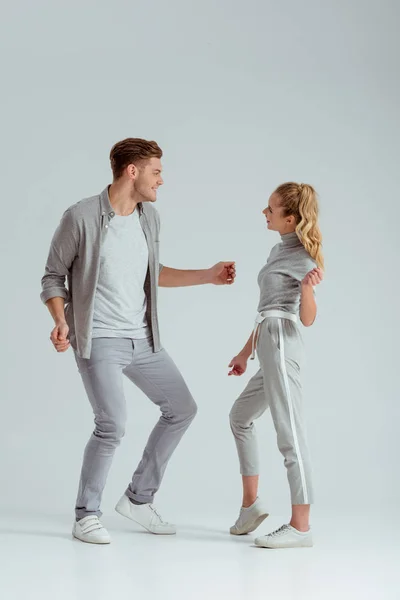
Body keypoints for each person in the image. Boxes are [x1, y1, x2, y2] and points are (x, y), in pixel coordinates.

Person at [40, 138, 236, 544]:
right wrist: (61, 321)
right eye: (157, 171)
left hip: (144, 339)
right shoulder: (80, 217)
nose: (161, 180)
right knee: (112, 425)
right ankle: (86, 514)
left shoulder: (150, 218)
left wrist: (208, 275)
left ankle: (138, 499)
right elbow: (52, 277)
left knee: (182, 408)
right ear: (133, 171)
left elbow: (152, 272)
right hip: (100, 339)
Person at [228, 182, 323, 549]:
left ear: (291, 217)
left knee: (290, 433)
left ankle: (301, 526)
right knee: (240, 416)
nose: (264, 213)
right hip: (267, 337)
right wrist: (244, 352)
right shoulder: (277, 249)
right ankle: (250, 506)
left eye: (271, 209)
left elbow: (307, 318)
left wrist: (309, 291)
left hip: (283, 339)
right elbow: (266, 308)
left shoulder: (304, 256)